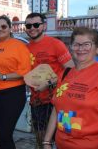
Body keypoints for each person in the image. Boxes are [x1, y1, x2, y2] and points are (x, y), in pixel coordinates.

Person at [43, 27, 98, 149]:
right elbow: (56, 109)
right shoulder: (65, 73)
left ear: (97, 48)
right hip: (61, 144)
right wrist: (47, 141)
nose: (81, 48)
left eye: (87, 44)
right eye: (76, 44)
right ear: (71, 48)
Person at [24, 12, 74, 148]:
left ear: (44, 26)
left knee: (65, 137)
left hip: (61, 101)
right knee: (41, 139)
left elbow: (72, 71)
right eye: (28, 25)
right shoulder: (25, 49)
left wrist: (49, 83)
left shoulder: (56, 44)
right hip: (37, 101)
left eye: (36, 24)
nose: (32, 28)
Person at [0, 15, 31, 149]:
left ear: (10, 28)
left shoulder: (19, 46)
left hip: (12, 94)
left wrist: (4, 76)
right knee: (0, 134)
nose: (0, 29)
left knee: (4, 134)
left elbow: (25, 72)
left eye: (4, 26)